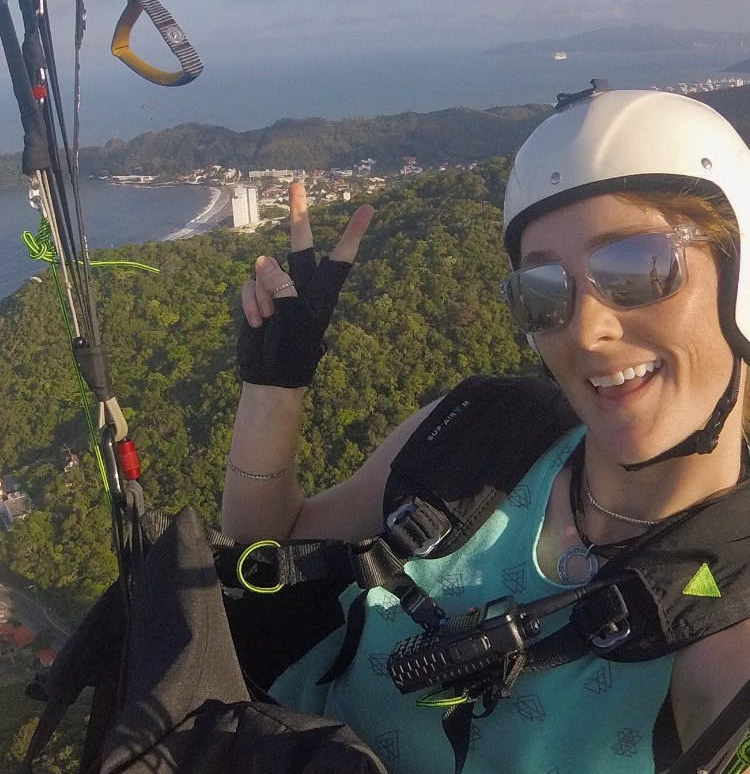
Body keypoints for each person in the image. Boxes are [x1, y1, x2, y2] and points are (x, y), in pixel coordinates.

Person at [222, 84, 750, 774]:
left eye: (638, 268)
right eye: (544, 291)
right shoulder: (484, 436)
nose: (587, 330)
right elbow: (269, 550)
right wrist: (274, 386)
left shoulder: (727, 623)